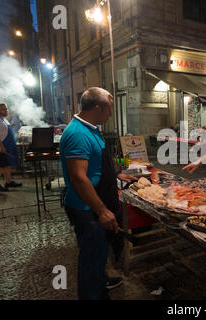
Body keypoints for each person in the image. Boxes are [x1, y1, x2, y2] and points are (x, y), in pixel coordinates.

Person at [60, 87, 136, 300]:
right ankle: (91, 294)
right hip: (87, 207)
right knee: (91, 256)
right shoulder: (77, 134)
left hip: (97, 200)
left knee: (100, 251)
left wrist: (115, 175)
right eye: (109, 109)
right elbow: (79, 177)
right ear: (97, 108)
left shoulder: (92, 128)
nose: (111, 114)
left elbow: (95, 165)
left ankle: (101, 279)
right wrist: (102, 211)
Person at [0, 102, 22, 192]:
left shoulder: (4, 119)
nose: (6, 110)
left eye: (6, 109)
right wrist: (1, 146)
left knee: (6, 165)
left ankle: (8, 182)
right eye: (3, 109)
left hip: (6, 145)